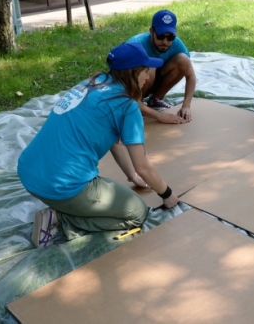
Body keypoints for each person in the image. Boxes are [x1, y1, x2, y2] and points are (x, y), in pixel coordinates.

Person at [17, 42, 179, 248]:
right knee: (137, 212)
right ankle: (60, 220)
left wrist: (131, 176)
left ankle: (64, 210)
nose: (148, 78)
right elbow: (144, 166)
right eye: (146, 71)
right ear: (134, 72)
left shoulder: (93, 83)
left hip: (29, 171)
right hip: (62, 185)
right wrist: (167, 194)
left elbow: (115, 141)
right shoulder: (127, 106)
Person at [127, 9, 196, 124]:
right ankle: (140, 104)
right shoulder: (135, 45)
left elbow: (191, 76)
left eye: (170, 38)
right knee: (150, 68)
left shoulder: (177, 44)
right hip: (133, 85)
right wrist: (159, 116)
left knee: (184, 60)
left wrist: (186, 106)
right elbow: (125, 84)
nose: (165, 41)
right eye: (160, 36)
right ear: (151, 31)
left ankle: (156, 99)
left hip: (157, 77)